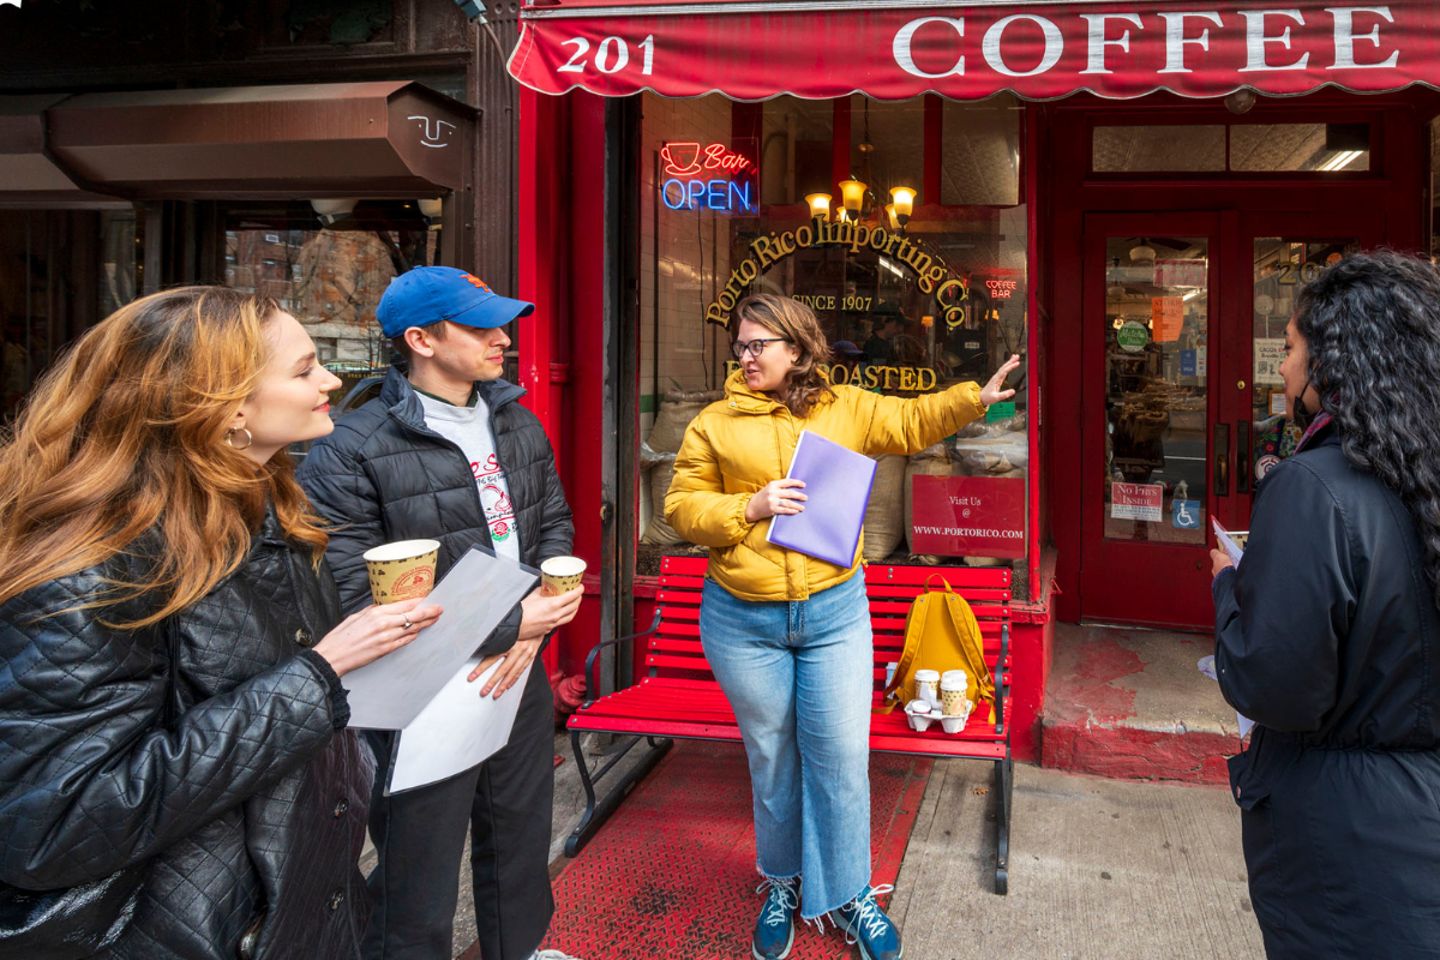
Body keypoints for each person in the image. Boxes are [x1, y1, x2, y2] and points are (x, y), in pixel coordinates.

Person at [0, 286, 441, 959]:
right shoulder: (92, 569)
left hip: (295, 911)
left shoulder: (270, 512)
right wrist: (319, 674)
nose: (329, 380)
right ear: (224, 404)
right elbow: (55, 825)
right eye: (302, 370)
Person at [665, 294, 1019, 960]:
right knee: (773, 759)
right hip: (743, 620)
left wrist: (976, 397)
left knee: (840, 759)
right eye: (739, 345)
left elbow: (914, 420)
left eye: (757, 345)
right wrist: (751, 505)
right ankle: (783, 881)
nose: (744, 357)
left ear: (795, 349)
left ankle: (850, 893)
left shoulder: (847, 407)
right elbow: (682, 506)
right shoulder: (713, 423)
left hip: (832, 614)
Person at [298, 266, 583, 960]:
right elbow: (353, 594)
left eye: (501, 320)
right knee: (416, 871)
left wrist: (541, 613)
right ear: (420, 339)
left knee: (518, 839)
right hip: (419, 686)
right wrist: (518, 626)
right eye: (478, 324)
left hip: (519, 668)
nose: (501, 337)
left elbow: (553, 524)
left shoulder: (516, 420)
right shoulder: (351, 448)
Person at [1211, 250, 1440, 959]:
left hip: (1342, 838)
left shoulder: (1312, 488)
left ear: (1334, 358)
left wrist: (1229, 586)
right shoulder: (1419, 474)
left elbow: (1274, 686)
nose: (1279, 369)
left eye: (1289, 348)